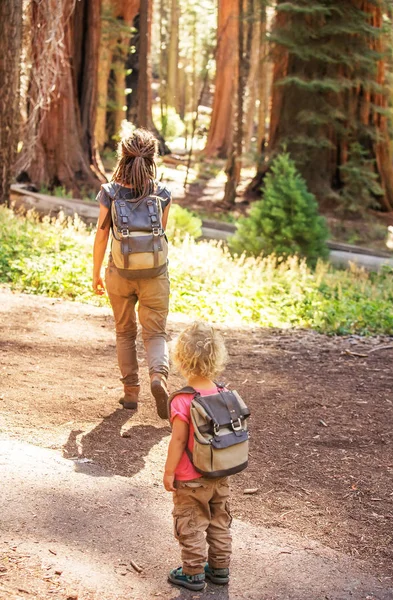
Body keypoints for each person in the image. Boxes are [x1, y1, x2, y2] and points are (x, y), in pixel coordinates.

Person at [92, 128, 171, 419]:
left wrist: (96, 273)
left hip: (120, 274)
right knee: (156, 333)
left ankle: (130, 394)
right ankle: (158, 378)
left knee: (125, 332)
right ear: (152, 158)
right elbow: (161, 235)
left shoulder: (109, 193)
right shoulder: (162, 194)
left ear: (121, 157)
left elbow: (101, 237)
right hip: (155, 274)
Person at [164, 322, 232, 592]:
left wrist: (169, 471)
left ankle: (192, 572)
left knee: (191, 522)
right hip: (220, 473)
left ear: (180, 357)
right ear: (218, 357)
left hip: (191, 477)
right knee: (219, 520)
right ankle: (219, 568)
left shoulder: (183, 400)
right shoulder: (224, 393)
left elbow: (179, 440)